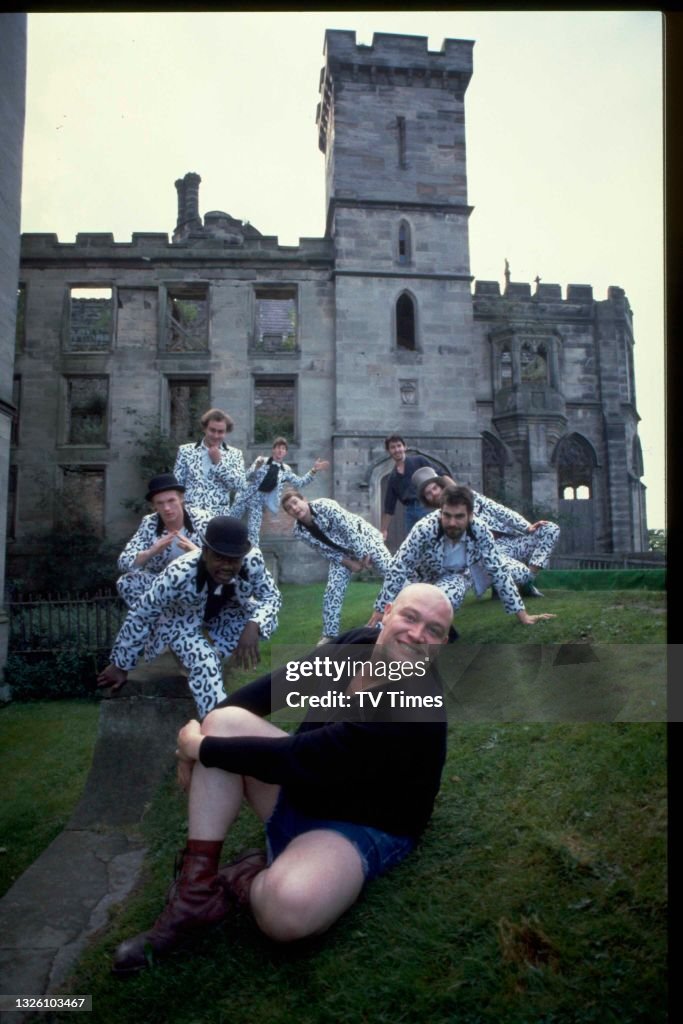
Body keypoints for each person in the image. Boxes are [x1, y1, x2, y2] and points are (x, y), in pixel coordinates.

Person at [109, 582, 454, 975]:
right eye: (410, 617)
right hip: (308, 788)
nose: (417, 635)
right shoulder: (356, 645)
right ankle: (195, 892)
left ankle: (245, 878)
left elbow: (307, 755)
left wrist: (199, 750)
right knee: (222, 723)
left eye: (434, 631)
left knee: (287, 911)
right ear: (387, 611)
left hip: (361, 825)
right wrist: (199, 729)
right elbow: (278, 687)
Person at [97, 517, 281, 717]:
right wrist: (121, 664)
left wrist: (254, 625)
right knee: (205, 662)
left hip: (226, 615)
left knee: (268, 620)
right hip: (182, 622)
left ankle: (217, 647)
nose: (227, 566)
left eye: (234, 559)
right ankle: (217, 730)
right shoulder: (179, 572)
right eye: (220, 558)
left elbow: (271, 596)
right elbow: (142, 613)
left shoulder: (252, 560)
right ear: (205, 552)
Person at [370, 484, 556, 628]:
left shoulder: (480, 530)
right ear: (440, 511)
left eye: (459, 517)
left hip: (456, 576)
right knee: (399, 610)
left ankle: (417, 640)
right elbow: (400, 566)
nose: (452, 523)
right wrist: (379, 608)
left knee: (444, 600)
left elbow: (497, 570)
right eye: (447, 515)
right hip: (420, 578)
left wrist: (523, 615)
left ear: (470, 515)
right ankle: (377, 637)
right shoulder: (425, 528)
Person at [411, 466, 560, 597]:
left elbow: (498, 510)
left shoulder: (470, 497)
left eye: (435, 488)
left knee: (549, 529)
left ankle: (527, 581)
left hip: (509, 542)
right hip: (488, 556)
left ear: (441, 486)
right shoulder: (438, 522)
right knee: (519, 573)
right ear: (426, 500)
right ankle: (513, 583)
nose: (434, 494)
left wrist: (527, 527)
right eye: (428, 493)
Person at [281, 488, 392, 645]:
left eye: (295, 502)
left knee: (392, 573)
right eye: (289, 508)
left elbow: (350, 530)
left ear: (303, 500)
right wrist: (349, 563)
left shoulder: (326, 506)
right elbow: (324, 550)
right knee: (333, 589)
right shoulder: (299, 531)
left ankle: (395, 614)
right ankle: (329, 634)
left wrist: (363, 556)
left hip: (365, 540)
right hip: (342, 554)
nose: (294, 508)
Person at [116, 473, 212, 608]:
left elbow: (221, 560)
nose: (166, 508)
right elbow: (123, 562)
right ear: (154, 506)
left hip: (195, 583)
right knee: (126, 582)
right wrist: (151, 552)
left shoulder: (203, 520)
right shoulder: (149, 523)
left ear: (181, 499)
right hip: (163, 585)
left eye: (171, 501)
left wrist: (197, 553)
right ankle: (154, 621)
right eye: (160, 503)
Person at [232, 437, 329, 544]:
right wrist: (256, 468)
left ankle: (252, 555)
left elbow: (300, 482)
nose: (280, 450)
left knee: (253, 533)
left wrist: (313, 470)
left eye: (283, 449)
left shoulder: (285, 470)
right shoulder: (262, 461)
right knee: (230, 521)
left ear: (285, 452)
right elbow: (247, 476)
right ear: (273, 450)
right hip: (244, 496)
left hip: (257, 503)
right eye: (278, 447)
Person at [173, 408, 246, 516]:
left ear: (226, 432)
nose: (216, 435)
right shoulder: (185, 451)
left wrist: (219, 463)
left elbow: (239, 485)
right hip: (190, 516)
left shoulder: (235, 454)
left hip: (218, 518)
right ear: (204, 429)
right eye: (212, 430)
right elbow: (176, 485)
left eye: (220, 432)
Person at [380, 434, 440, 541]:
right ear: (389, 451)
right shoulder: (393, 477)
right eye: (393, 447)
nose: (397, 450)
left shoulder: (419, 461)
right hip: (409, 512)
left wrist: (456, 495)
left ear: (405, 447)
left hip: (427, 506)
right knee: (413, 542)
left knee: (433, 538)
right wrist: (383, 530)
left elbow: (440, 476)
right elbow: (389, 507)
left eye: (399, 446)